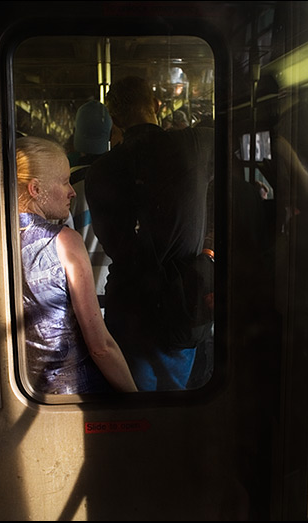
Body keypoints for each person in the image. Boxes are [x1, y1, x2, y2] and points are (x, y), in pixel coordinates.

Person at [86, 76, 215, 391]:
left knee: (135, 405)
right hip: (185, 300)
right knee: (178, 401)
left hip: (131, 304)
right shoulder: (195, 145)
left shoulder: (100, 171)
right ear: (157, 104)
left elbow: (116, 241)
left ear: (115, 120)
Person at [16, 136, 137, 395]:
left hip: (27, 391)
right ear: (35, 189)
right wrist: (136, 400)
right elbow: (100, 347)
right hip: (75, 392)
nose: (72, 191)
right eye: (63, 182)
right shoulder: (63, 241)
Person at [67, 101, 114, 312]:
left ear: (76, 133)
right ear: (110, 136)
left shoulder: (67, 185)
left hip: (80, 300)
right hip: (117, 296)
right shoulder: (124, 181)